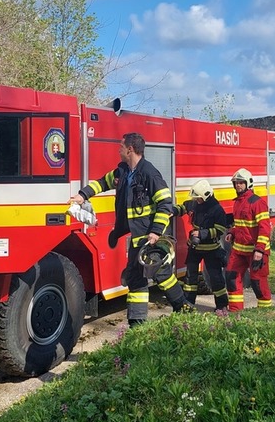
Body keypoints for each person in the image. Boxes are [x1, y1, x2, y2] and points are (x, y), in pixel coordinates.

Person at [72, 132, 191, 326]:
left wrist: (155, 231)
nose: (118, 150)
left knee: (161, 274)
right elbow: (102, 182)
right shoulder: (122, 172)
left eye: (121, 147)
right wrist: (83, 195)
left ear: (130, 149)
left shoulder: (150, 173)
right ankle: (137, 325)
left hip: (151, 237)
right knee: (136, 278)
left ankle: (182, 307)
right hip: (137, 239)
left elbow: (165, 204)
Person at [174, 179, 229, 311]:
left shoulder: (217, 210)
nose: (197, 200)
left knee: (216, 279)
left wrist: (202, 234)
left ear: (206, 196)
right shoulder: (195, 204)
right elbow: (184, 207)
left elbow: (220, 230)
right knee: (190, 279)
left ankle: (221, 306)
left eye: (199, 198)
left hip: (211, 250)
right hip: (195, 248)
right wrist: (171, 210)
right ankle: (188, 305)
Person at [224, 168, 272, 310]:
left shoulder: (257, 203)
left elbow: (264, 228)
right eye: (236, 183)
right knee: (231, 278)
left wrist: (260, 250)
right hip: (239, 249)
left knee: (257, 282)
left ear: (248, 183)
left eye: (241, 183)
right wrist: (232, 233)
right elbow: (241, 224)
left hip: (256, 251)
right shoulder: (237, 202)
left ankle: (265, 312)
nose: (238, 185)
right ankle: (235, 312)